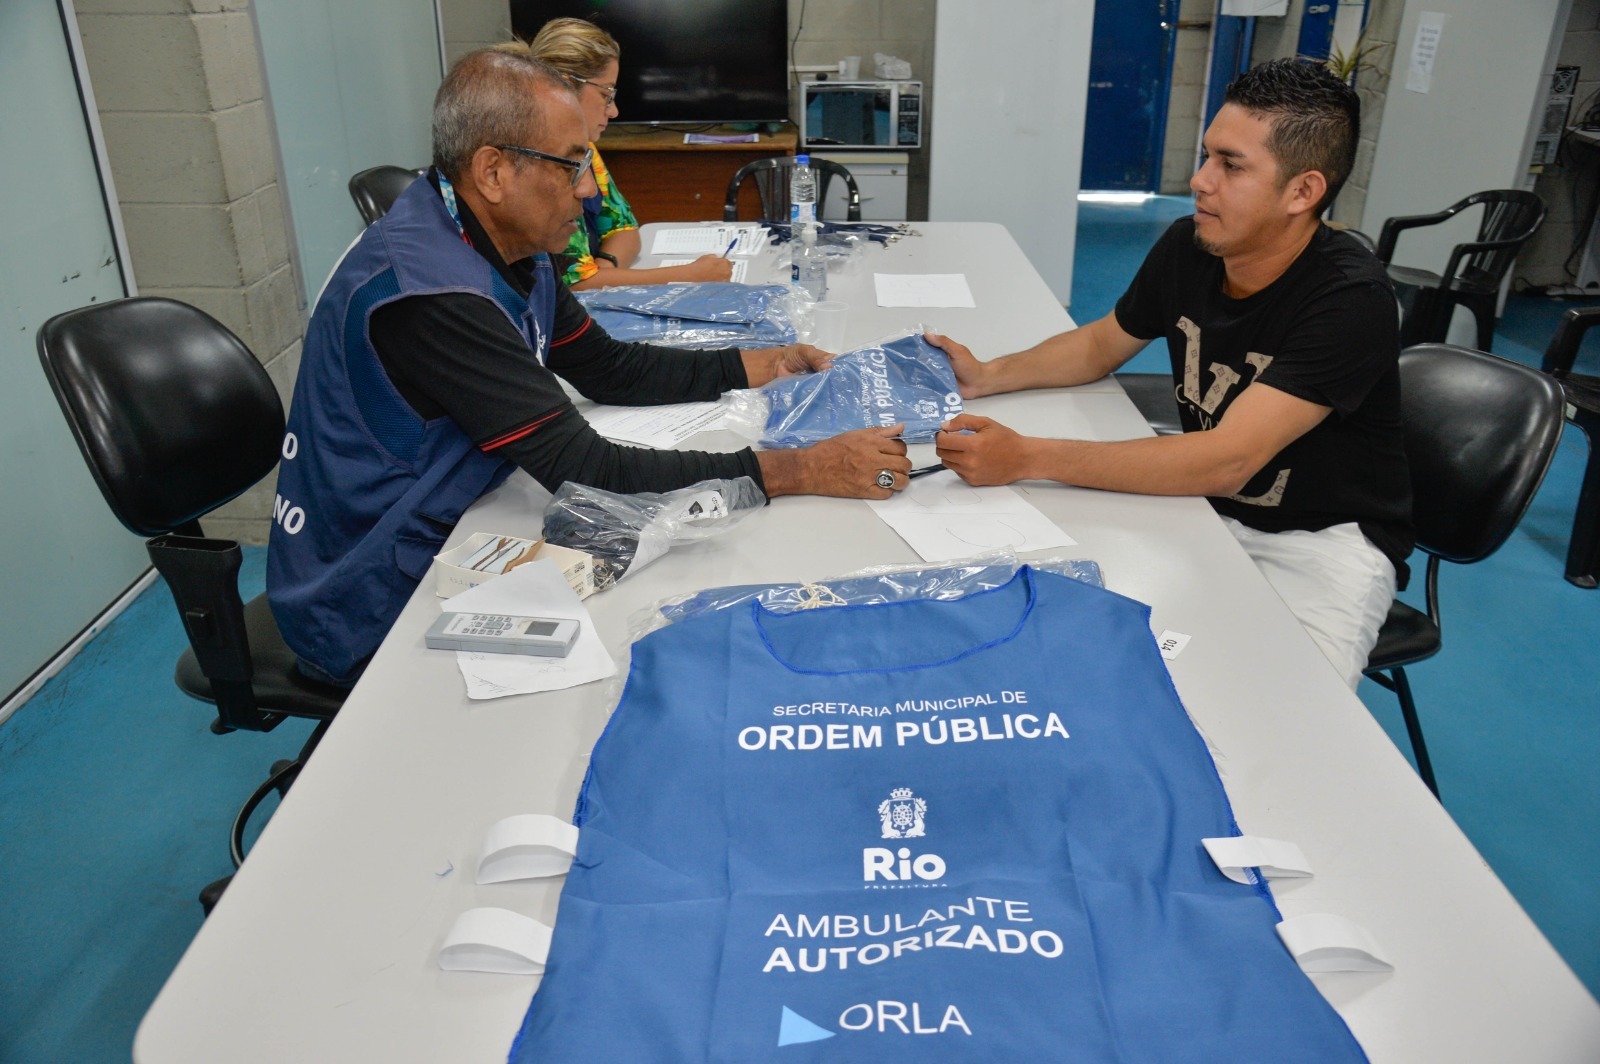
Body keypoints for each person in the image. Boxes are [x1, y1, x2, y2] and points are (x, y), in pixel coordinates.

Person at [267, 49, 909, 686]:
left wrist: (761, 363)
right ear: (494, 170)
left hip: (449, 518)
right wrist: (800, 468)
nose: (589, 187)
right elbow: (588, 471)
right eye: (572, 163)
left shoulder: (500, 235)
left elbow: (607, 368)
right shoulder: (433, 296)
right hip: (365, 596)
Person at [928, 58, 1413, 690]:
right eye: (1207, 155)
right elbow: (1101, 343)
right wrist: (988, 374)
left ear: (1303, 191)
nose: (1199, 181)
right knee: (1075, 655)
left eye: (1231, 165)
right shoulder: (1193, 244)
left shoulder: (1351, 299)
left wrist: (1025, 456)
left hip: (1319, 541)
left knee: (1286, 713)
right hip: (1204, 508)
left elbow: (1226, 460)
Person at [514, 19, 731, 290]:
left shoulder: (587, 150)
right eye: (606, 94)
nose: (613, 110)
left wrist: (604, 271)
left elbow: (626, 230)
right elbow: (576, 281)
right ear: (566, 88)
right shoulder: (536, 165)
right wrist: (689, 275)